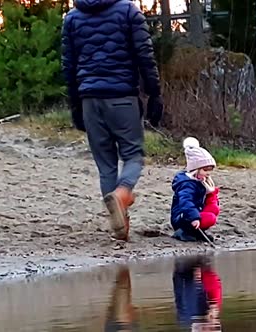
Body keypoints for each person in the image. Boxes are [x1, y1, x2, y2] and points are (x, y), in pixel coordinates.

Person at [61, 0, 164, 241]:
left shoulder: (72, 18)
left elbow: (68, 65)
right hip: (121, 97)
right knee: (133, 155)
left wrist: (75, 104)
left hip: (89, 99)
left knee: (106, 164)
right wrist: (154, 93)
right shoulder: (129, 11)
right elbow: (144, 56)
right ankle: (123, 193)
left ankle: (119, 227)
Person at [170, 137, 220, 243]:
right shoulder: (187, 184)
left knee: (213, 210)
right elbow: (185, 202)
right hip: (182, 217)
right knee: (210, 218)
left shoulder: (203, 181)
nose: (208, 173)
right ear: (195, 169)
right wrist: (193, 218)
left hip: (195, 212)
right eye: (205, 170)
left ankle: (197, 231)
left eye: (210, 170)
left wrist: (212, 193)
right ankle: (184, 231)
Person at [173, 256, 222, 331]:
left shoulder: (187, 317)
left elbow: (181, 286)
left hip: (185, 268)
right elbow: (213, 280)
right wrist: (214, 304)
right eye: (216, 326)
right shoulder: (212, 309)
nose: (216, 323)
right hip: (196, 265)